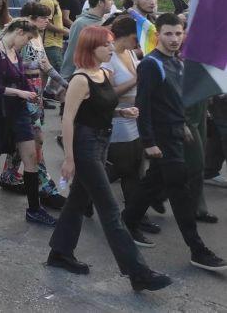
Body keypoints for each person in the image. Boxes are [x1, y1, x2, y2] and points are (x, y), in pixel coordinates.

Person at [46, 26, 174, 291]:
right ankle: (138, 273)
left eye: (111, 43)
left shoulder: (104, 73)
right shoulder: (80, 79)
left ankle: (59, 252)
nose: (111, 48)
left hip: (101, 142)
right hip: (85, 146)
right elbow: (68, 119)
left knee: (78, 201)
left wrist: (120, 113)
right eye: (106, 44)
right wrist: (69, 159)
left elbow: (98, 109)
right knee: (111, 211)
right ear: (91, 47)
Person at [121, 14, 226, 270]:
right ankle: (197, 249)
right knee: (180, 191)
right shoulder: (151, 64)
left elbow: (173, 101)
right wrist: (149, 142)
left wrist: (182, 125)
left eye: (178, 34)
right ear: (158, 34)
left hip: (176, 133)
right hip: (162, 139)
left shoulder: (176, 62)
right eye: (168, 34)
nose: (175, 39)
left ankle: (126, 221)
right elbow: (142, 105)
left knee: (153, 183)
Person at [0, 18, 57, 225]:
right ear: (19, 32)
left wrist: (31, 94)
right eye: (28, 39)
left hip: (18, 113)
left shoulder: (14, 52)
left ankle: (34, 208)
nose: (27, 43)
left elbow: (21, 79)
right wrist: (20, 92)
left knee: (30, 156)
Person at [0, 1, 66, 206]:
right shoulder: (19, 37)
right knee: (36, 138)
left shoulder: (37, 37)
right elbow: (11, 63)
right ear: (30, 18)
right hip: (23, 91)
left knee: (25, 138)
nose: (48, 21)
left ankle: (9, 175)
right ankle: (45, 186)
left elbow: (46, 65)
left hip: (36, 91)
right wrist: (37, 67)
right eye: (43, 18)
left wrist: (63, 83)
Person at [100, 15, 156, 232]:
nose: (139, 43)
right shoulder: (109, 56)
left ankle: (135, 215)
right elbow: (107, 94)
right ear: (128, 35)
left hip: (135, 117)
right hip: (120, 120)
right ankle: (131, 218)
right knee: (127, 169)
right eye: (137, 38)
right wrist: (137, 79)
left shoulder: (131, 52)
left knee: (134, 168)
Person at [60, 0, 112, 79]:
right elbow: (72, 52)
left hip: (97, 73)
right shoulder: (80, 23)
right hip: (80, 76)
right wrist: (66, 77)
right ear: (100, 3)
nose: (112, 3)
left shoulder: (104, 21)